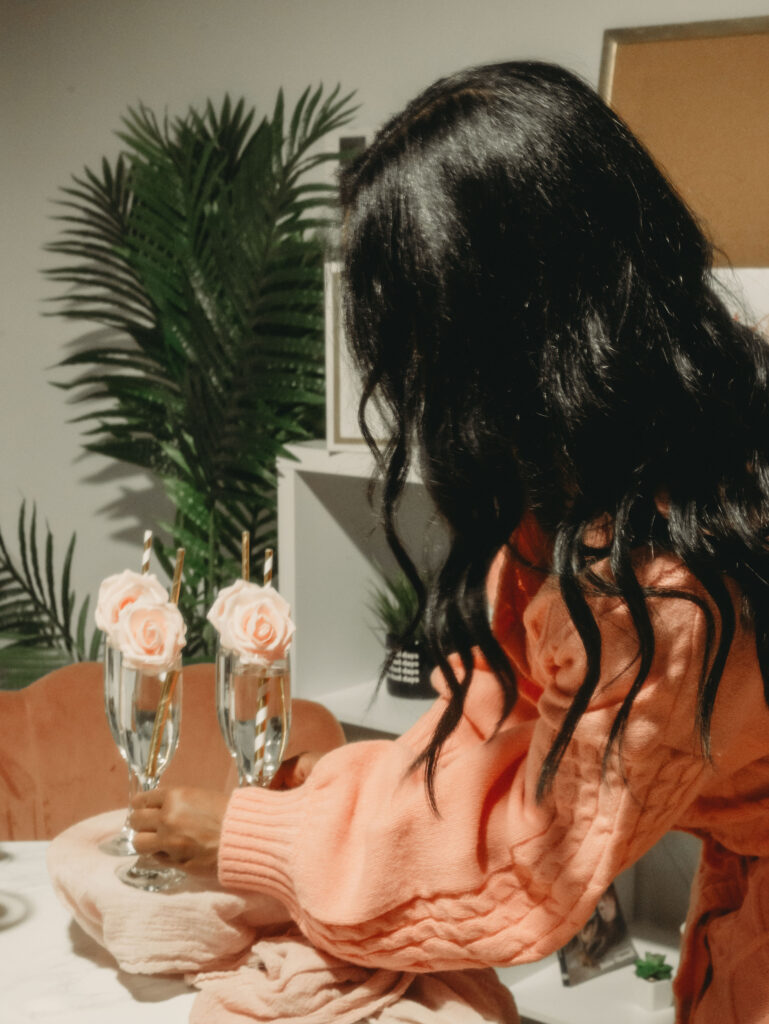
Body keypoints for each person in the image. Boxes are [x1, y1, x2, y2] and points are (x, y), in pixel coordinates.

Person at [131, 61, 769, 1022]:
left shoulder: (657, 584)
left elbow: (524, 865)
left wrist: (253, 832)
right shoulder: (611, 454)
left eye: (419, 335)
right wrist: (307, 806)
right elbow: (492, 724)